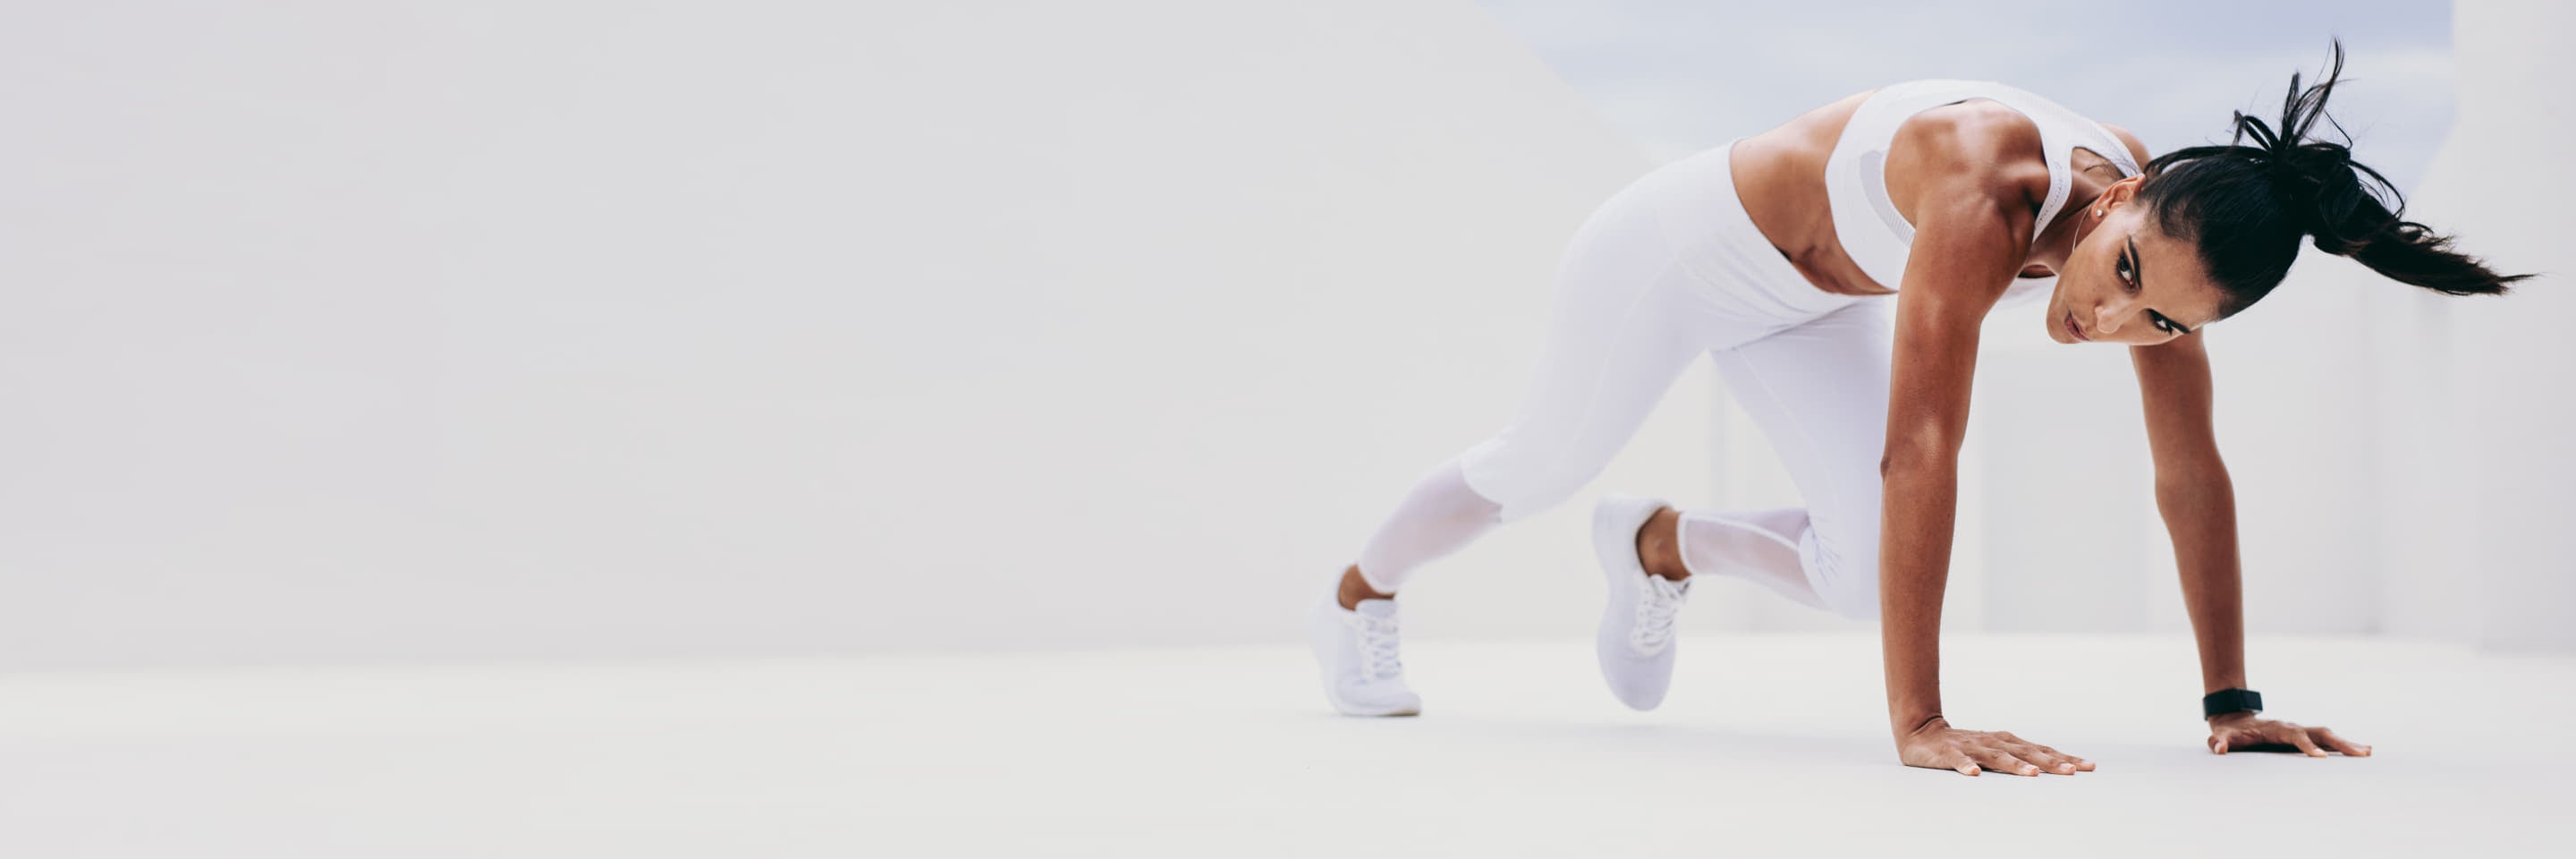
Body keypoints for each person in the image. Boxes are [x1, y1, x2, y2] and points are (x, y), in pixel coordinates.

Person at [1302, 40, 2529, 776]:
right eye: (2126, 282)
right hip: (1678, 252)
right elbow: (1923, 446)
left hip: (1807, 299)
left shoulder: (2159, 238)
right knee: (1536, 466)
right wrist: (1922, 722)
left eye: (2160, 324)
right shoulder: (1990, 178)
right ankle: (1358, 597)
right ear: (2117, 201)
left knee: (1853, 578)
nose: (2112, 323)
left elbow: (2189, 469)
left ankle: (1655, 546)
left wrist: (2231, 707)